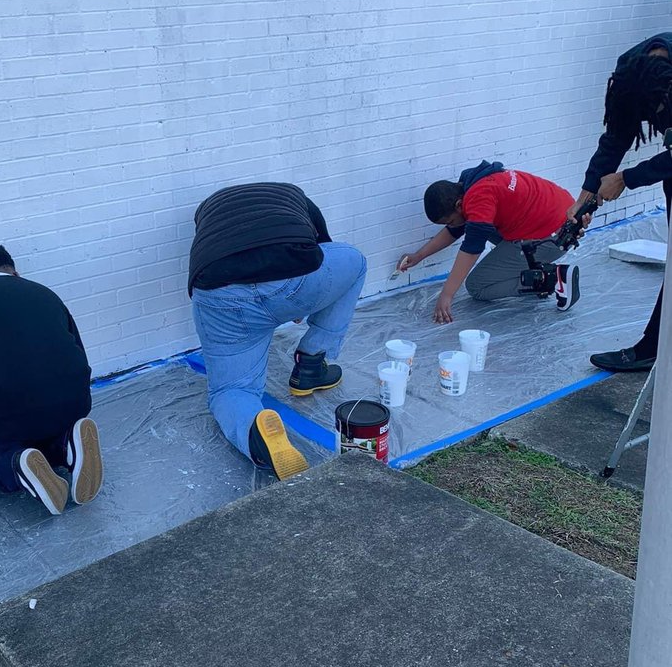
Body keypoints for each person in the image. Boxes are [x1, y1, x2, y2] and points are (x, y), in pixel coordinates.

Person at [189, 183, 367, 480]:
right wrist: (300, 302)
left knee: (230, 390)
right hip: (290, 280)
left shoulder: (207, 211)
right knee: (355, 260)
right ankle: (312, 363)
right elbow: (321, 254)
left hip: (218, 296)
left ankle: (255, 434)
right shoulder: (294, 196)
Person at [0, 243, 103, 515]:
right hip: (75, 402)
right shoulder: (45, 293)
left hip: (12, 405)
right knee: (38, 436)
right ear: (12, 270)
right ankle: (67, 445)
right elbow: (78, 351)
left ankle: (17, 467)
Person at [568, 32, 672, 372]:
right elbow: (615, 138)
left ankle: (650, 348)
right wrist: (583, 199)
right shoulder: (629, 75)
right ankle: (653, 348)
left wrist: (627, 179)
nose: (655, 117)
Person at [397, 161, 580, 324]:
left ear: (459, 205)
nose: (451, 225)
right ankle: (532, 265)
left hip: (556, 235)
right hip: (564, 215)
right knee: (479, 227)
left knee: (477, 286)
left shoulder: (479, 198)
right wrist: (419, 256)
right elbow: (457, 229)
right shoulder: (471, 183)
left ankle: (552, 279)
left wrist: (447, 295)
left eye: (450, 220)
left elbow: (471, 249)